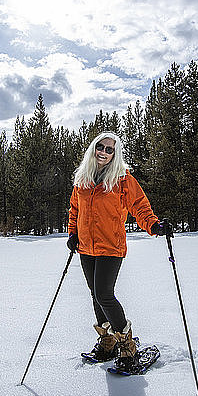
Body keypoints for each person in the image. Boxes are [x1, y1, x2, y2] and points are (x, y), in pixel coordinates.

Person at [67, 131, 172, 372]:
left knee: (104, 294)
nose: (104, 152)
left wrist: (154, 225)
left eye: (109, 149)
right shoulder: (82, 178)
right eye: (100, 147)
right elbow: (75, 209)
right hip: (86, 246)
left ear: (115, 154)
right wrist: (72, 234)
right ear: (94, 148)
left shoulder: (122, 178)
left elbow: (139, 205)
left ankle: (127, 346)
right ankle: (108, 341)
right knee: (95, 293)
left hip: (111, 246)